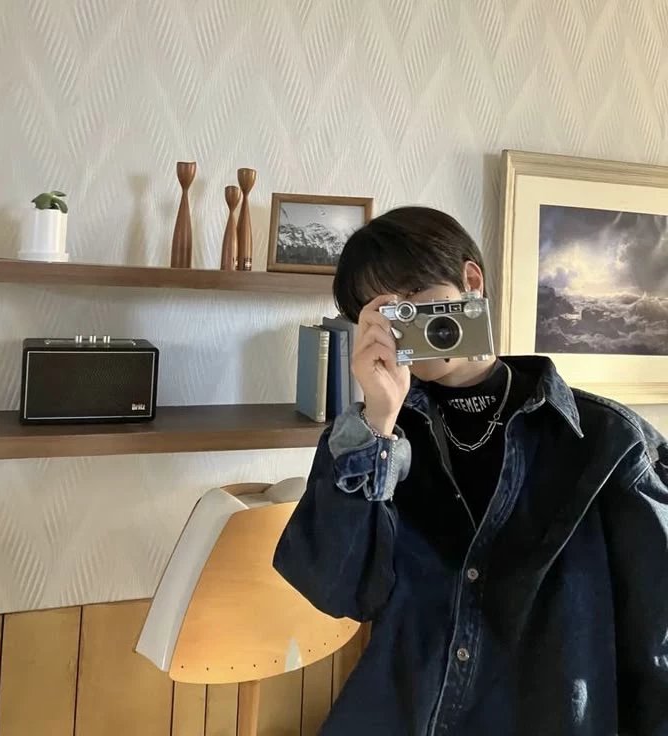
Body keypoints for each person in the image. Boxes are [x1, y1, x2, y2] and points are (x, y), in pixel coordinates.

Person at [272, 206, 668, 736]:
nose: (406, 322)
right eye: (385, 311)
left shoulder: (607, 444)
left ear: (471, 281)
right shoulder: (374, 439)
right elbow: (336, 591)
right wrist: (377, 421)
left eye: (415, 295)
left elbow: (657, 646)